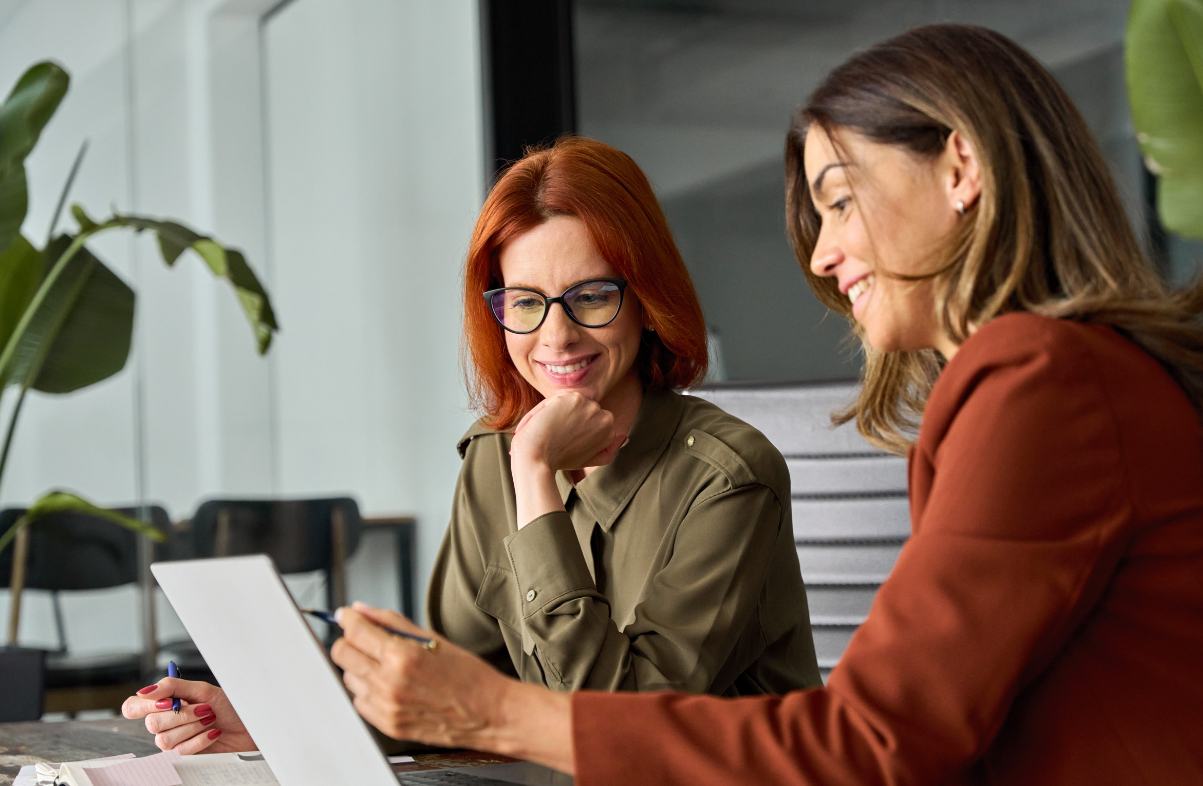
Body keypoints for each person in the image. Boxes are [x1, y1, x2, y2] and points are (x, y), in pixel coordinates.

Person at [133, 24, 1203, 784]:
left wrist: (499, 708)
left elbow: (867, 745)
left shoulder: (1039, 377)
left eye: (836, 195)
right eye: (520, 304)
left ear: (962, 167)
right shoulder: (1058, 378)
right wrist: (280, 712)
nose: (820, 256)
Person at [121, 137, 820, 754]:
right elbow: (453, 687)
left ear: (645, 297)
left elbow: (615, 725)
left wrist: (536, 475)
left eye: (591, 296)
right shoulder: (494, 458)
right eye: (525, 302)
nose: (556, 337)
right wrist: (272, 719)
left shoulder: (728, 477)